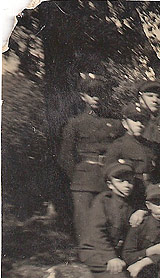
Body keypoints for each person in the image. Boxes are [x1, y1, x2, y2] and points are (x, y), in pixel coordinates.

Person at [78, 159, 143, 278]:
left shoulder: (132, 202)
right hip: (94, 250)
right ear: (110, 184)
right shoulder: (103, 201)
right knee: (116, 274)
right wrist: (111, 257)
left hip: (114, 251)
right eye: (120, 181)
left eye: (130, 180)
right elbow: (97, 233)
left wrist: (142, 211)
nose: (127, 185)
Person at [58, 75, 124, 242]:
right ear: (83, 97)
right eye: (91, 94)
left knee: (110, 222)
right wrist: (77, 177)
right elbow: (65, 156)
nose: (96, 98)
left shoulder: (115, 123)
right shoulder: (75, 123)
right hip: (84, 182)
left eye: (100, 93)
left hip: (109, 179)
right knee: (85, 225)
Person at [105, 103, 156, 205]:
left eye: (142, 121)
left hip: (149, 191)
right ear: (125, 123)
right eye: (135, 120)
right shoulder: (118, 145)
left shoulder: (150, 146)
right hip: (130, 193)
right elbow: (109, 173)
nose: (139, 124)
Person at [137, 80, 160, 148]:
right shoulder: (133, 119)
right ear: (140, 98)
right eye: (150, 96)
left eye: (158, 97)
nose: (155, 100)